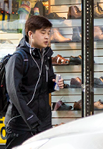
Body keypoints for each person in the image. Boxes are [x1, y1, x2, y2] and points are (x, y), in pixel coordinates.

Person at [4, 16, 63, 149]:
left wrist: (55, 85)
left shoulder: (45, 56)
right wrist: (30, 118)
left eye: (49, 33)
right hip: (21, 124)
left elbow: (44, 88)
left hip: (43, 122)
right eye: (43, 33)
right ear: (30, 34)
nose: (47, 37)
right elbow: (14, 93)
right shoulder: (18, 58)